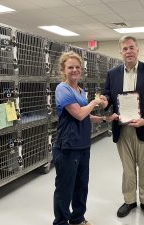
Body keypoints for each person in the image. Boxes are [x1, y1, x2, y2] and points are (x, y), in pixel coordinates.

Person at [100, 36, 144, 220]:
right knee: (127, 169)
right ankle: (129, 201)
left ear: (138, 50)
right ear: (120, 52)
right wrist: (105, 101)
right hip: (123, 128)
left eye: (131, 48)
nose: (128, 51)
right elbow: (108, 95)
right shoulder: (112, 73)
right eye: (125, 49)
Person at [53, 51, 106, 225]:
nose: (74, 70)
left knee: (81, 186)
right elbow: (78, 114)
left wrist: (103, 118)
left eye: (77, 67)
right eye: (70, 67)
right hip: (68, 147)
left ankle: (78, 219)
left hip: (83, 145)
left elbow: (84, 114)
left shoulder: (80, 91)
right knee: (64, 189)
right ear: (63, 70)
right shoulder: (62, 89)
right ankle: (61, 222)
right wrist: (94, 102)